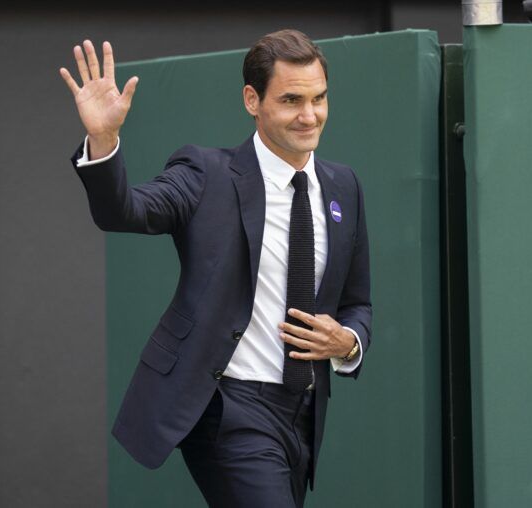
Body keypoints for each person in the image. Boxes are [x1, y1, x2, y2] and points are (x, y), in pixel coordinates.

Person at [60, 29, 371, 508]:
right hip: (229, 410)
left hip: (304, 412)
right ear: (253, 99)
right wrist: (103, 140)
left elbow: (357, 303)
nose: (309, 116)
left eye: (319, 99)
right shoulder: (205, 173)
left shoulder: (343, 186)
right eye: (291, 100)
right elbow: (124, 211)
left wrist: (348, 343)